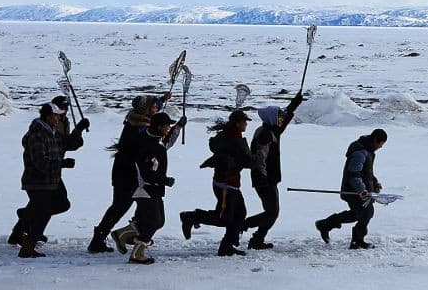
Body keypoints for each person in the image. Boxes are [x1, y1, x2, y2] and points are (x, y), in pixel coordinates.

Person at [90, 93, 182, 253]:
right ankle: (109, 237)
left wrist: (162, 99)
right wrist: (176, 129)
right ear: (145, 109)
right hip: (129, 174)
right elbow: (159, 145)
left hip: (130, 172)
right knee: (122, 207)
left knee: (135, 207)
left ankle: (130, 234)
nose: (156, 109)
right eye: (153, 107)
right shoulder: (140, 127)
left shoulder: (137, 119)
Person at [11, 96, 88, 257]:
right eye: (57, 114)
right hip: (37, 180)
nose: (60, 117)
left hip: (51, 179)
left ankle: (26, 216)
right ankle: (27, 248)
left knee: (62, 204)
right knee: (44, 212)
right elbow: (40, 163)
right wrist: (62, 163)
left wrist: (79, 129)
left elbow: (70, 144)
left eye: (61, 114)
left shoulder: (52, 132)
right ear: (48, 116)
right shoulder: (38, 134)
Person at [179, 109, 262, 257]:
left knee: (239, 214)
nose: (246, 125)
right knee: (224, 218)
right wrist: (260, 157)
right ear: (238, 124)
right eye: (244, 122)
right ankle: (192, 217)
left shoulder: (227, 136)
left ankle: (227, 246)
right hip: (227, 184)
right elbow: (247, 161)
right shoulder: (234, 139)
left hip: (226, 182)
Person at [112, 111, 176, 265]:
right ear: (160, 127)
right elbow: (146, 172)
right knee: (154, 221)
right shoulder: (150, 145)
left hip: (149, 187)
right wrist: (164, 180)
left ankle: (122, 233)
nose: (169, 128)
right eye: (168, 126)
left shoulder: (152, 139)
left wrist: (178, 127)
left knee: (156, 221)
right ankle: (137, 254)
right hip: (144, 188)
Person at [242, 93, 305, 249]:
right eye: (279, 117)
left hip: (267, 179)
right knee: (271, 213)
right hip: (264, 179)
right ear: (272, 119)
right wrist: (263, 178)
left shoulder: (271, 130)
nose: (281, 119)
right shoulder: (265, 135)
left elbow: (284, 120)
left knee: (271, 212)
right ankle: (243, 227)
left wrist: (294, 104)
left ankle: (256, 238)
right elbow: (260, 160)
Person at [316, 128, 387, 249]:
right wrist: (362, 190)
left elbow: (366, 172)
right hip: (353, 191)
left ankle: (325, 224)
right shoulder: (360, 152)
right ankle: (357, 241)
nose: (380, 147)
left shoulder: (367, 151)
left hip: (358, 191)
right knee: (367, 212)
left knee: (356, 214)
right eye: (380, 144)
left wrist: (374, 183)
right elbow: (354, 174)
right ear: (375, 140)